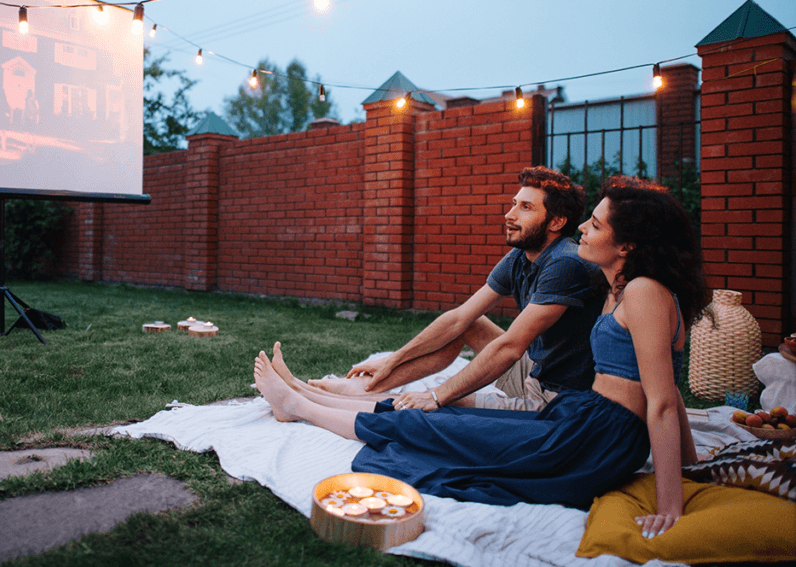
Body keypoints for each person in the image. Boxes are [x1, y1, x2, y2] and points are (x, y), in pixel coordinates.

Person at [254, 175, 704, 537]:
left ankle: (297, 406)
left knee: (433, 423)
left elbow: (662, 400)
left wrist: (672, 501)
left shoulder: (641, 291)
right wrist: (693, 464)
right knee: (443, 418)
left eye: (597, 225)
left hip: (592, 438)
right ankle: (303, 397)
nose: (583, 228)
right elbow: (665, 386)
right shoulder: (625, 288)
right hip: (580, 419)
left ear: (626, 246)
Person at [307, 166, 602, 412]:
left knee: (440, 405)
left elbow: (510, 347)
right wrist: (391, 360)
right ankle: (364, 388)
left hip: (557, 400)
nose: (509, 215)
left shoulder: (565, 262)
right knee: (470, 325)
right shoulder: (522, 255)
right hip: (536, 371)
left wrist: (437, 394)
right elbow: (460, 318)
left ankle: (351, 398)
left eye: (525, 207)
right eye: (514, 203)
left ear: (557, 221)